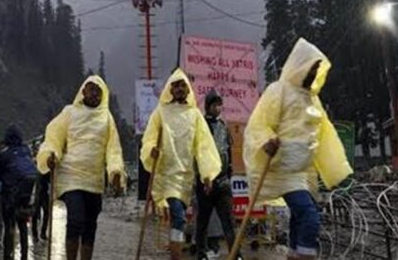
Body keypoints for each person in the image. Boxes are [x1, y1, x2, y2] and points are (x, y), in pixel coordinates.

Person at [244, 38, 353, 260]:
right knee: (309, 215)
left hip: (303, 171)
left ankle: (294, 253)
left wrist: (334, 168)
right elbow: (259, 124)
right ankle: (306, 255)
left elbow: (324, 135)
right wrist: (267, 140)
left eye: (316, 69)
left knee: (299, 215)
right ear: (299, 65)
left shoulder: (313, 100)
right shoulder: (278, 90)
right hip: (281, 169)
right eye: (310, 68)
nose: (313, 73)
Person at [37, 75, 126, 260]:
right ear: (83, 91)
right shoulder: (69, 113)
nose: (94, 93)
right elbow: (54, 136)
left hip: (94, 180)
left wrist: (115, 171)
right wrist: (51, 155)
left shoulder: (107, 119)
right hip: (71, 177)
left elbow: (113, 149)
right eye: (90, 89)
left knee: (90, 225)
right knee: (76, 220)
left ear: (103, 95)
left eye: (98, 90)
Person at [140, 68, 221, 260]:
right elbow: (149, 138)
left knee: (179, 219)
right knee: (179, 217)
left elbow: (204, 146)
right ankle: (176, 256)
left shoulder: (194, 115)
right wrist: (152, 150)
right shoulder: (161, 112)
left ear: (188, 89)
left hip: (185, 177)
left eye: (182, 85)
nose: (178, 89)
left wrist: (208, 174)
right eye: (175, 85)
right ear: (170, 89)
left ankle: (174, 248)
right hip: (165, 175)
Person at [194, 90, 242, 260]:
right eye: (214, 105)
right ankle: (201, 253)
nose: (217, 108)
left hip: (223, 182)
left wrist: (229, 173)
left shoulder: (223, 125)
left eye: (219, 105)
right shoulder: (200, 126)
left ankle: (236, 253)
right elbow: (198, 152)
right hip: (205, 181)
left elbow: (227, 149)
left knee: (228, 220)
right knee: (203, 221)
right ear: (207, 107)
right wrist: (202, 177)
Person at [0, 124, 39, 260]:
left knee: (9, 225)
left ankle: (8, 255)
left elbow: (0, 174)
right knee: (23, 226)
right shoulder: (26, 150)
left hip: (10, 194)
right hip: (27, 195)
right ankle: (24, 255)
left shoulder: (4, 154)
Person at [31, 170, 50, 240]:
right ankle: (35, 233)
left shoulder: (46, 170)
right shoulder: (36, 169)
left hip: (44, 193)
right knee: (35, 214)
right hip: (37, 193)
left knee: (46, 213)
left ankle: (42, 233)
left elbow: (49, 180)